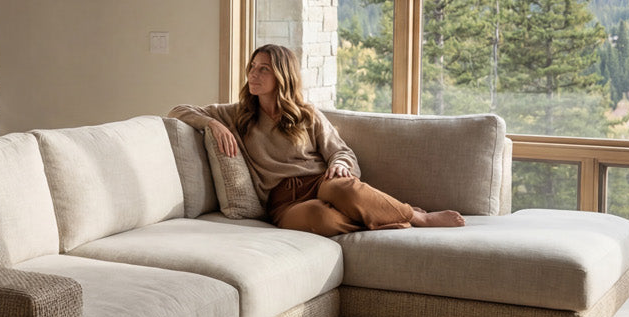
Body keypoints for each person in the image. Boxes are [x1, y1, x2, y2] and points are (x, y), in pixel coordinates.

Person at [170, 44, 464, 237]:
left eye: (263, 69)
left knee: (344, 188)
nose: (253, 74)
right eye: (252, 67)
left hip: (322, 183)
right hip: (283, 202)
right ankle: (388, 214)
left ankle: (417, 217)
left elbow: (342, 151)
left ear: (282, 75)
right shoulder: (237, 115)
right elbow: (178, 111)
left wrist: (338, 164)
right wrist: (212, 124)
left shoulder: (306, 115)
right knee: (319, 219)